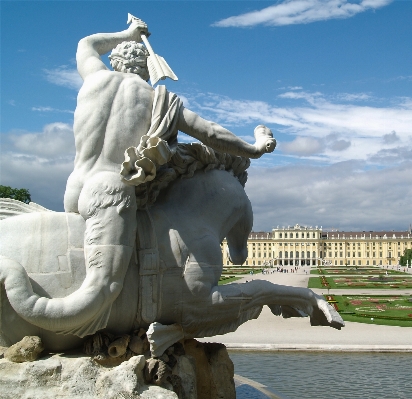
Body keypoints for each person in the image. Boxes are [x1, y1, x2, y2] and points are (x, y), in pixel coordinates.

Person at [59, 19, 276, 335]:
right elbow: (212, 134)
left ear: (115, 60)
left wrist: (127, 34)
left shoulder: (94, 78)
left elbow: (87, 45)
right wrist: (253, 149)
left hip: (75, 188)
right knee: (105, 288)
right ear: (148, 68)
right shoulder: (159, 100)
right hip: (112, 195)